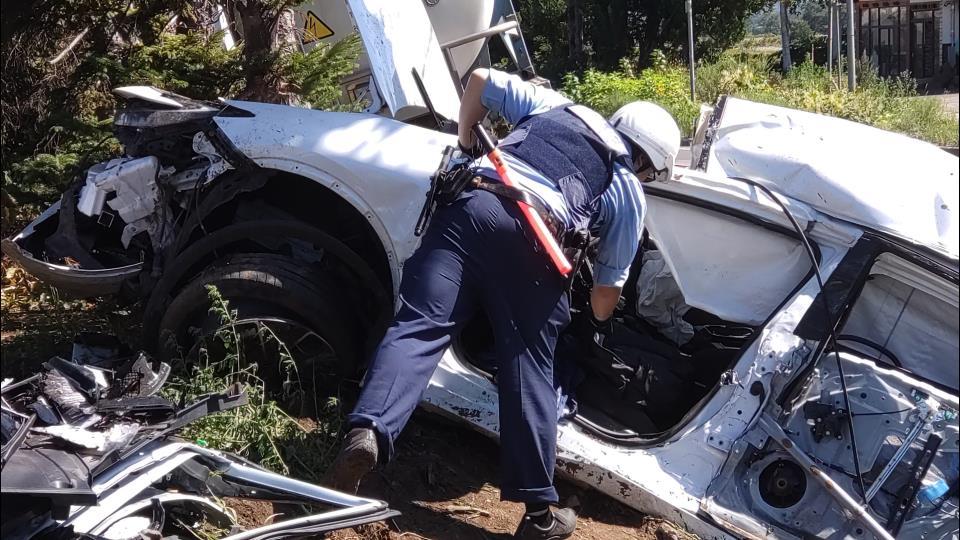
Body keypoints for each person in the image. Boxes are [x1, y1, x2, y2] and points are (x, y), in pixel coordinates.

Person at [326, 67, 681, 539]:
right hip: (536, 247)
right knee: (529, 366)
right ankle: (538, 516)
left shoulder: (557, 106)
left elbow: (478, 79)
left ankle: (366, 432)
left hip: (471, 206)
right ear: (647, 161)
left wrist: (467, 135)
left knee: (420, 325)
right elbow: (602, 301)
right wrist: (597, 309)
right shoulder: (625, 185)